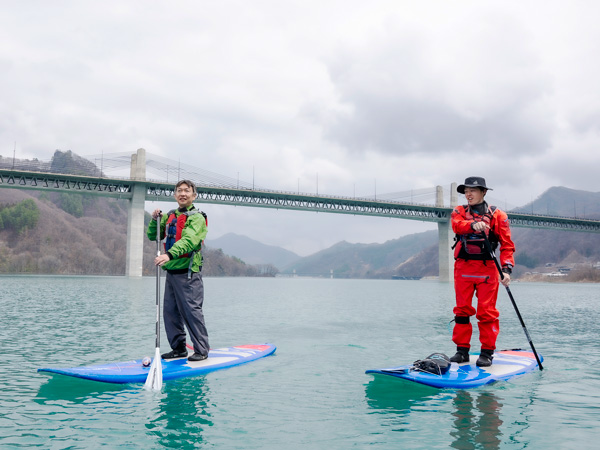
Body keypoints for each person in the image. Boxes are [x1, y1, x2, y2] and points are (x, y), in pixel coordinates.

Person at [449, 176, 515, 367]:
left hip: (488, 269)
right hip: (463, 267)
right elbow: (456, 225)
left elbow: (507, 245)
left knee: (487, 312)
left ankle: (487, 353)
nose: (468, 194)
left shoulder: (498, 216)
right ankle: (462, 351)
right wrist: (472, 225)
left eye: (473, 190)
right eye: (466, 191)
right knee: (462, 311)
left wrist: (506, 270)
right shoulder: (459, 212)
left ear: (484, 192)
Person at [147, 179, 209, 362]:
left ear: (194, 195)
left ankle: (202, 350)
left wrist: (170, 255)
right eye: (179, 191)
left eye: (187, 191)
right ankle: (179, 349)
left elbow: (189, 241)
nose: (183, 194)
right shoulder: (170, 215)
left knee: (191, 311)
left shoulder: (197, 217)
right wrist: (155, 220)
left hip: (188, 273)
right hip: (172, 272)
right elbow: (154, 235)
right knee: (170, 313)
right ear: (175, 195)